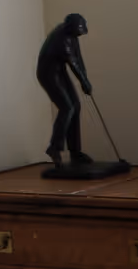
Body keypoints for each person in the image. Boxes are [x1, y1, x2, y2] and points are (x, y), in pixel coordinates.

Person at [36, 13, 94, 166]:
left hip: (59, 71)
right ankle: (54, 148)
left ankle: (75, 152)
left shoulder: (71, 33)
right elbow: (73, 63)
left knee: (76, 105)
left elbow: (78, 58)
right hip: (48, 74)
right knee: (67, 108)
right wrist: (84, 82)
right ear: (71, 28)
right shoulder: (62, 39)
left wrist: (86, 79)